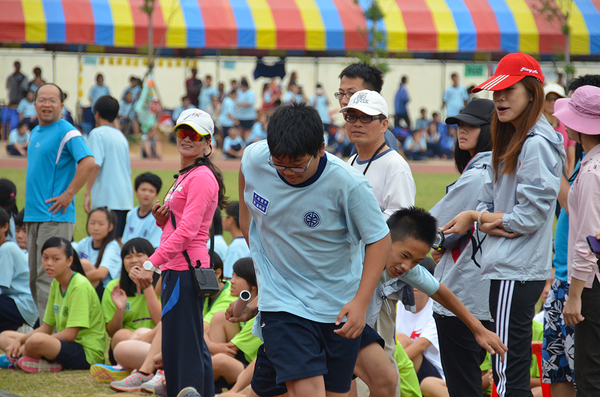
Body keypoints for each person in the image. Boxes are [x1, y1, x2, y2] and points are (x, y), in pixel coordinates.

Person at [238, 102, 391, 397]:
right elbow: (248, 206)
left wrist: (360, 303)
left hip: (336, 306)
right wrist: (263, 265)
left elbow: (379, 240)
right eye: (279, 164)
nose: (287, 172)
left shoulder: (347, 184)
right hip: (283, 304)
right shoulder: (255, 159)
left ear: (321, 148)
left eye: (297, 164)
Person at [442, 52, 565, 397]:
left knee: (508, 372)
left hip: (517, 269)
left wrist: (479, 219)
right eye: (495, 91)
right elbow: (489, 199)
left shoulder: (536, 143)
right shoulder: (511, 137)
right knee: (505, 368)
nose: (499, 98)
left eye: (508, 90)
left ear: (532, 92)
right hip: (507, 266)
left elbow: (527, 217)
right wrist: (487, 216)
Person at [137, 108, 228, 397]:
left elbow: (189, 231)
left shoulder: (200, 177)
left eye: (195, 134)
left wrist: (152, 262)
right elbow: (183, 223)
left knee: (182, 345)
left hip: (185, 268)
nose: (186, 139)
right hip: (179, 266)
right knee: (185, 343)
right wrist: (162, 219)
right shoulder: (188, 174)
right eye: (182, 132)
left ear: (207, 143)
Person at [341, 89, 415, 396]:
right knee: (354, 362)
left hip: (380, 283)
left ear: (384, 125)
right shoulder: (353, 159)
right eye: (351, 116)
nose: (357, 123)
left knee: (379, 355)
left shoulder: (394, 165)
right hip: (353, 277)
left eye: (367, 118)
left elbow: (399, 226)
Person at [429, 98, 496, 397]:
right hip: (488, 292)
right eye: (460, 124)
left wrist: (435, 242)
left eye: (472, 125)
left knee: (463, 386)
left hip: (462, 294)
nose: (462, 130)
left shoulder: (478, 174)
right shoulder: (501, 168)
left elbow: (432, 226)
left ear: (490, 130)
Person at [25, 83, 95, 321]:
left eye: (52, 100)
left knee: (49, 278)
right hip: (34, 215)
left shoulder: (68, 132)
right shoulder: (35, 131)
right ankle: (43, 334)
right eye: (42, 100)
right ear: (34, 104)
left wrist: (69, 194)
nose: (46, 104)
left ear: (62, 106)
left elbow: (88, 162)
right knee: (34, 278)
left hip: (54, 216)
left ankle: (53, 340)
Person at [554, 85, 600, 396]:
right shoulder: (590, 164)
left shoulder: (593, 171)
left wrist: (574, 295)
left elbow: (590, 241)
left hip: (592, 284)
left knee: (590, 372)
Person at [0, 237, 105, 372]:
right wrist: (20, 342)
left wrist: (30, 343)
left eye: (56, 259)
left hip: (86, 353)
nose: (49, 263)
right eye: (45, 258)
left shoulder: (79, 286)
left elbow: (70, 335)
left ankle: (22, 357)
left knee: (36, 340)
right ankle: (29, 358)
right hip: (64, 345)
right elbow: (46, 328)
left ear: (69, 261)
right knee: (5, 336)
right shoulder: (56, 283)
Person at [84, 95, 134, 243]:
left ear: (97, 114)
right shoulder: (120, 136)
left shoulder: (96, 133)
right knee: (118, 240)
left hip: (107, 197)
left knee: (103, 241)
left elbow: (96, 164)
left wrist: (87, 192)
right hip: (124, 198)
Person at [102, 238, 160, 354]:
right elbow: (112, 333)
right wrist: (120, 309)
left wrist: (146, 286)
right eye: (128, 257)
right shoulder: (114, 287)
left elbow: (161, 321)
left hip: (156, 337)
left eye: (139, 255)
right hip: (126, 341)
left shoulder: (162, 284)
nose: (133, 260)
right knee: (121, 335)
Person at [211, 257, 261, 389]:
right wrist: (211, 346)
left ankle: (184, 379)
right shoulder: (237, 305)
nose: (231, 281)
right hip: (240, 364)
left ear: (254, 284)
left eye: (237, 276)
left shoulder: (258, 313)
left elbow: (230, 349)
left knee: (220, 360)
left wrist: (210, 346)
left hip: (251, 371)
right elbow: (202, 332)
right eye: (232, 275)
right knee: (220, 317)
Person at [396, 260, 445, 386]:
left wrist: (389, 366)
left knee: (402, 340)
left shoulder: (436, 309)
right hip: (405, 365)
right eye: (411, 276)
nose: (415, 282)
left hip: (432, 372)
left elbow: (421, 345)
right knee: (399, 341)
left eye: (421, 278)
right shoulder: (398, 305)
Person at [336, 63, 398, 154]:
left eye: (352, 94)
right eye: (341, 93)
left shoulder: (380, 143)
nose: (344, 101)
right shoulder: (361, 138)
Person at [0, 208, 37, 333]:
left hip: (24, 303)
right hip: (14, 301)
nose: (20, 235)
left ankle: (22, 329)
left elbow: (1, 286)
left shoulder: (7, 249)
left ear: (5, 227)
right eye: (17, 230)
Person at [74, 207, 121, 298]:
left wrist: (72, 280)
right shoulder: (86, 242)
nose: (95, 228)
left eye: (101, 224)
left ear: (110, 226)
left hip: (107, 292)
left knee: (85, 264)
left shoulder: (112, 247)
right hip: (89, 287)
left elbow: (101, 273)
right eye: (92, 223)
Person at [122, 172, 163, 248]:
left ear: (156, 195)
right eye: (143, 190)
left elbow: (155, 245)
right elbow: (125, 241)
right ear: (135, 191)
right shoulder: (131, 214)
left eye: (151, 191)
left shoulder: (158, 216)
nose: (146, 194)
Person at [543, 83, 576, 177]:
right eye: (548, 98)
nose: (552, 102)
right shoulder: (535, 127)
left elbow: (571, 158)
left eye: (556, 99)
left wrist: (570, 179)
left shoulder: (567, 127)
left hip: (562, 175)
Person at [222, 202, 250, 279]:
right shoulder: (246, 241)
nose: (222, 219)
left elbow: (227, 277)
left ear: (231, 219)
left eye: (224, 216)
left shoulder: (236, 246)